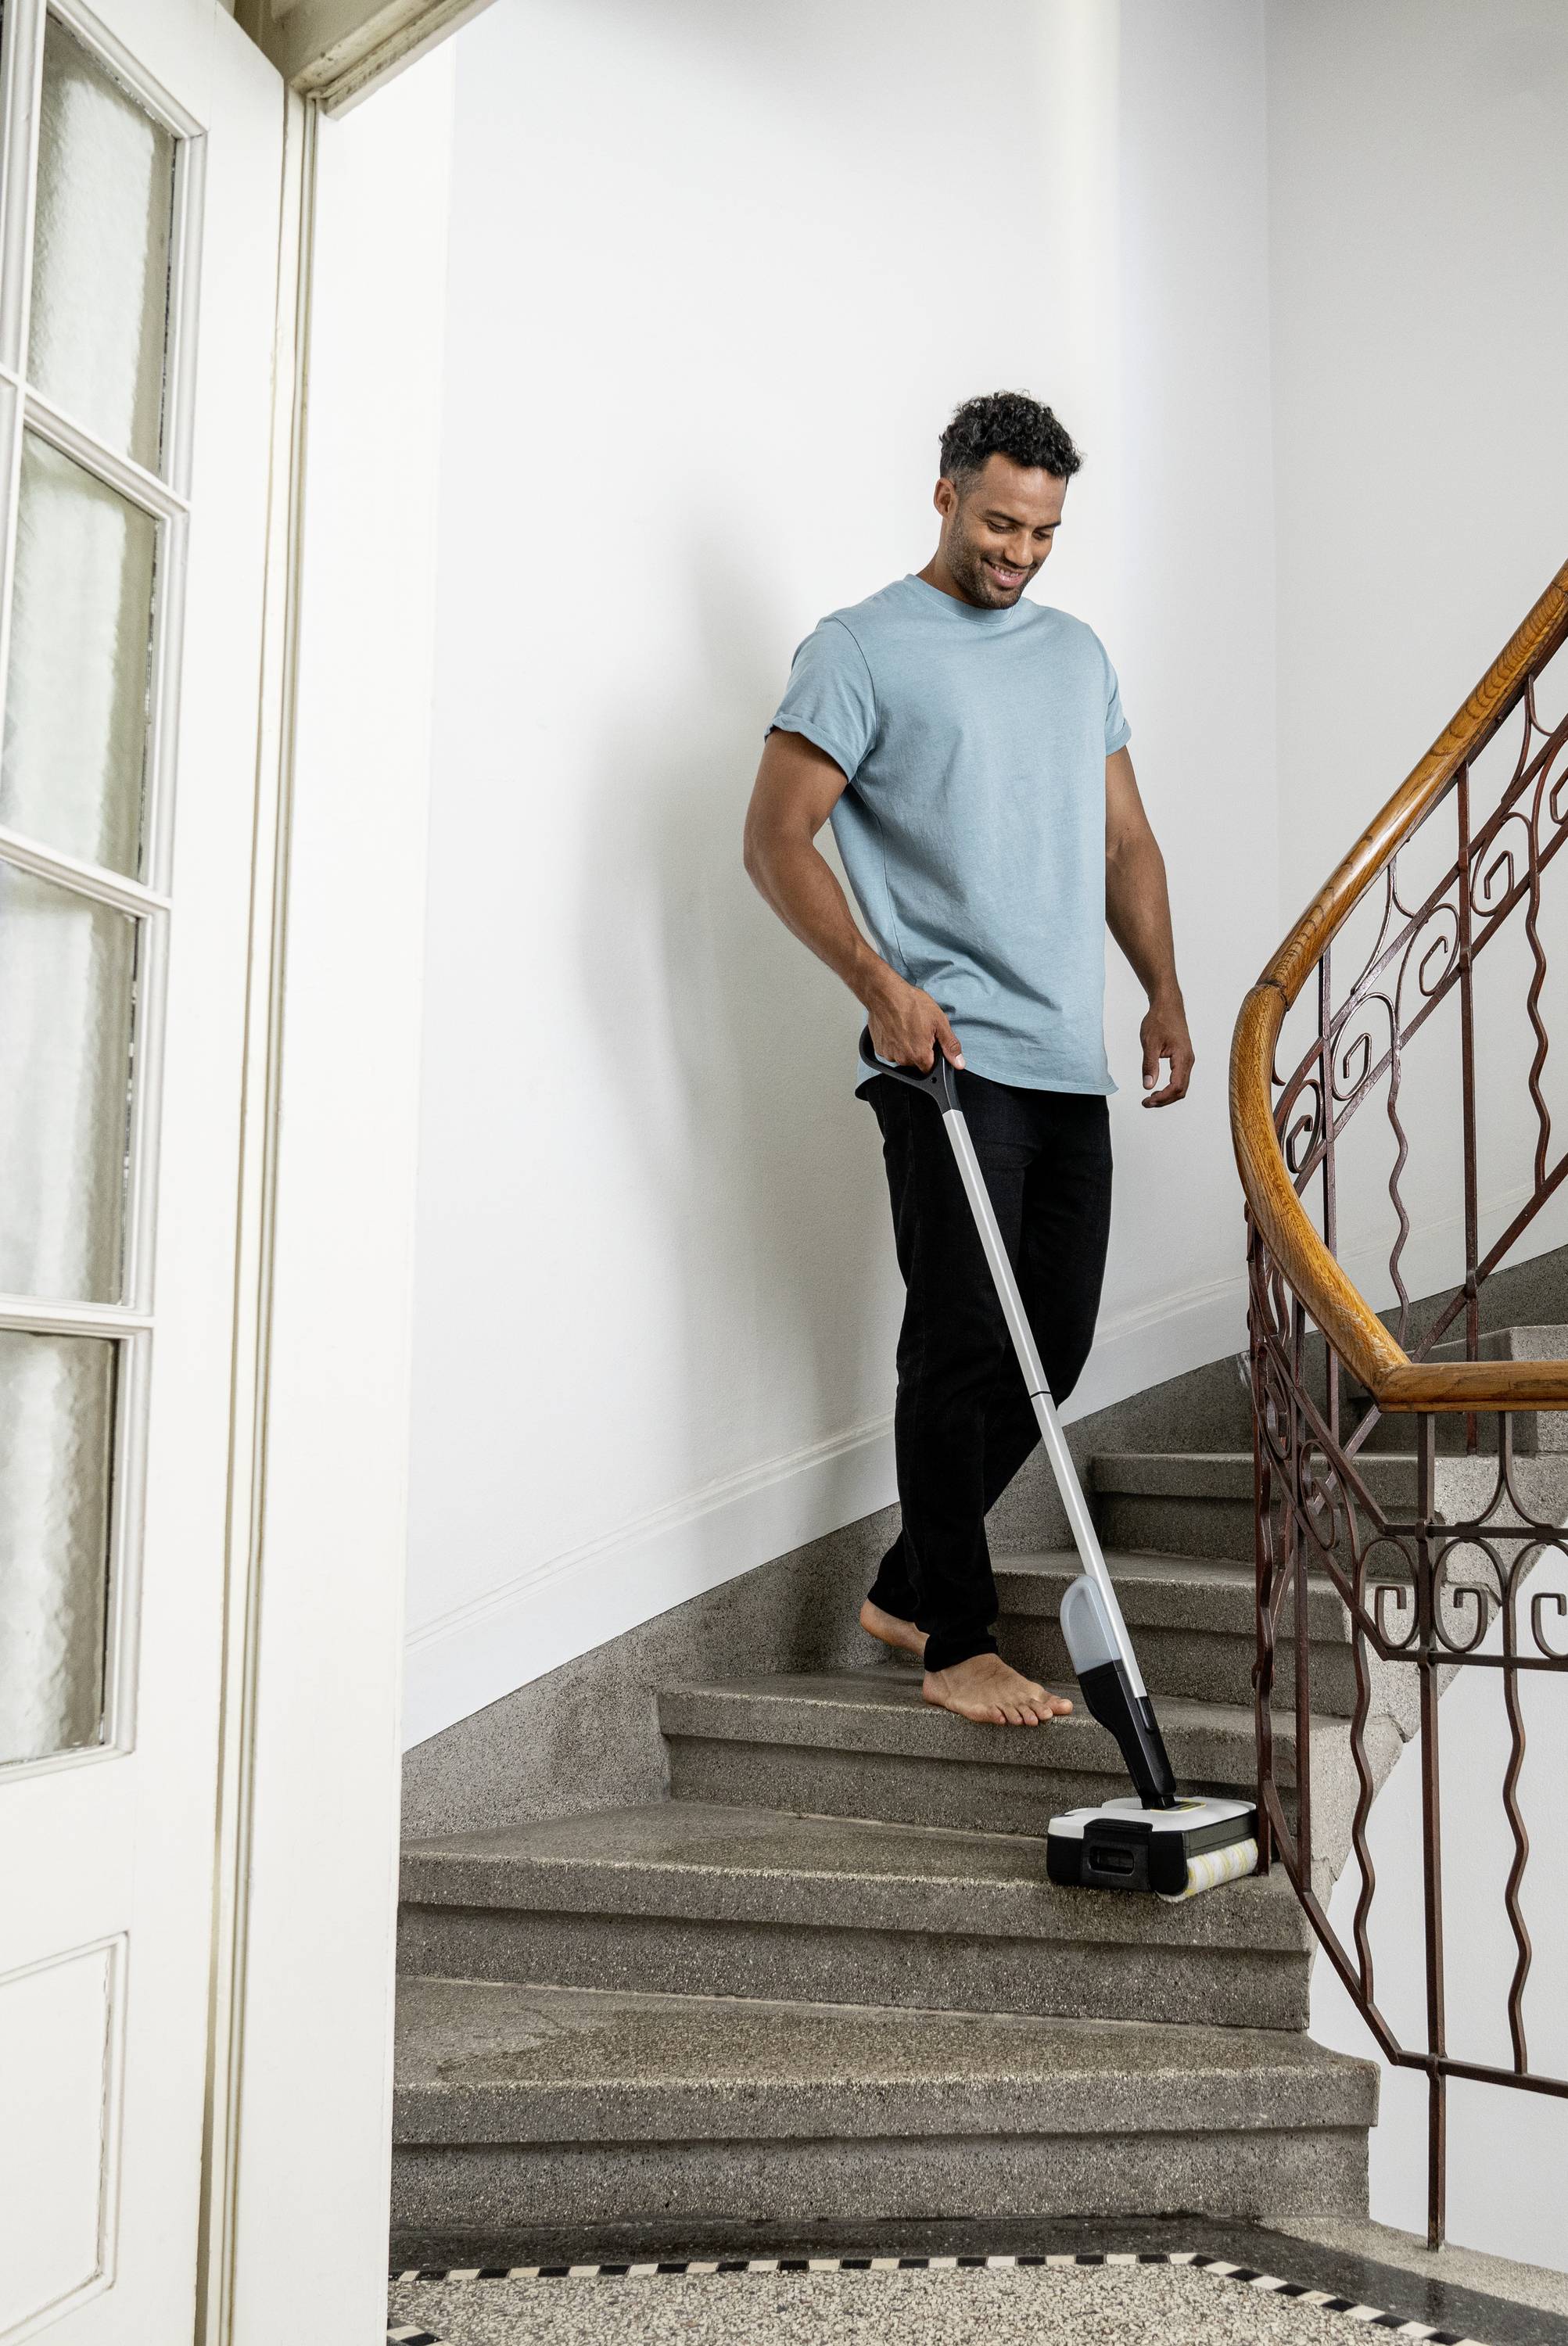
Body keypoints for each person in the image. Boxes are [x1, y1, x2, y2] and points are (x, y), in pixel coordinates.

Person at [742, 389, 1193, 1728]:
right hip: (941, 1055)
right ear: (944, 495)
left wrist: (1161, 987)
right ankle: (954, 1638)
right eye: (1000, 522)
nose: (1019, 553)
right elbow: (773, 839)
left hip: (1065, 1055)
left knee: (1050, 1341)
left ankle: (901, 1583)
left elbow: (1124, 841)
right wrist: (878, 985)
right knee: (956, 1343)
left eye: (1044, 532)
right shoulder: (859, 649)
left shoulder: (1075, 653)